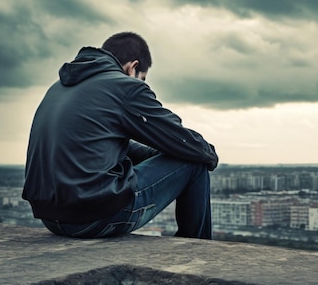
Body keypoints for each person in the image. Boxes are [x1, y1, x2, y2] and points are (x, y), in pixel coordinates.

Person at [22, 32, 218, 239]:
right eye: (141, 78)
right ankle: (196, 247)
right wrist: (209, 154)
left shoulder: (58, 88)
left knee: (186, 154)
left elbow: (103, 146)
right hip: (95, 219)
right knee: (195, 161)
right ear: (132, 67)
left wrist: (161, 156)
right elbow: (181, 140)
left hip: (52, 219)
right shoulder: (125, 86)